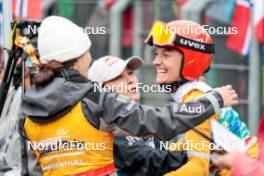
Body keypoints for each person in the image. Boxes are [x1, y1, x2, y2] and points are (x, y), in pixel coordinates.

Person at [20, 16, 237, 176]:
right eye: (88, 51)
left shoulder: (28, 113)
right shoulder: (95, 98)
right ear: (79, 58)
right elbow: (156, 122)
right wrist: (213, 101)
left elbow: (31, 171)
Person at [144, 20, 255, 176]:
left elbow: (198, 169)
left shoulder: (194, 98)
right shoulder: (196, 93)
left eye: (166, 55)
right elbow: (192, 144)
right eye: (157, 54)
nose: (156, 61)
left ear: (190, 60)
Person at [89, 55, 187, 175]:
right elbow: (153, 162)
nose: (130, 80)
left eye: (130, 73)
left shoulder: (139, 122)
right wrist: (200, 155)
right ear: (101, 91)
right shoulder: (106, 128)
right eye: (118, 77)